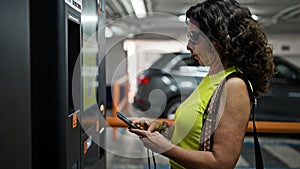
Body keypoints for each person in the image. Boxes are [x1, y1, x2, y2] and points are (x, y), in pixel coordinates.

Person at [129, 0, 275, 168]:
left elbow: (221, 163)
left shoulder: (234, 85)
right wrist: (161, 128)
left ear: (220, 38)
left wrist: (163, 147)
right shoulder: (213, 75)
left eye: (195, 37)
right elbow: (195, 134)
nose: (188, 46)